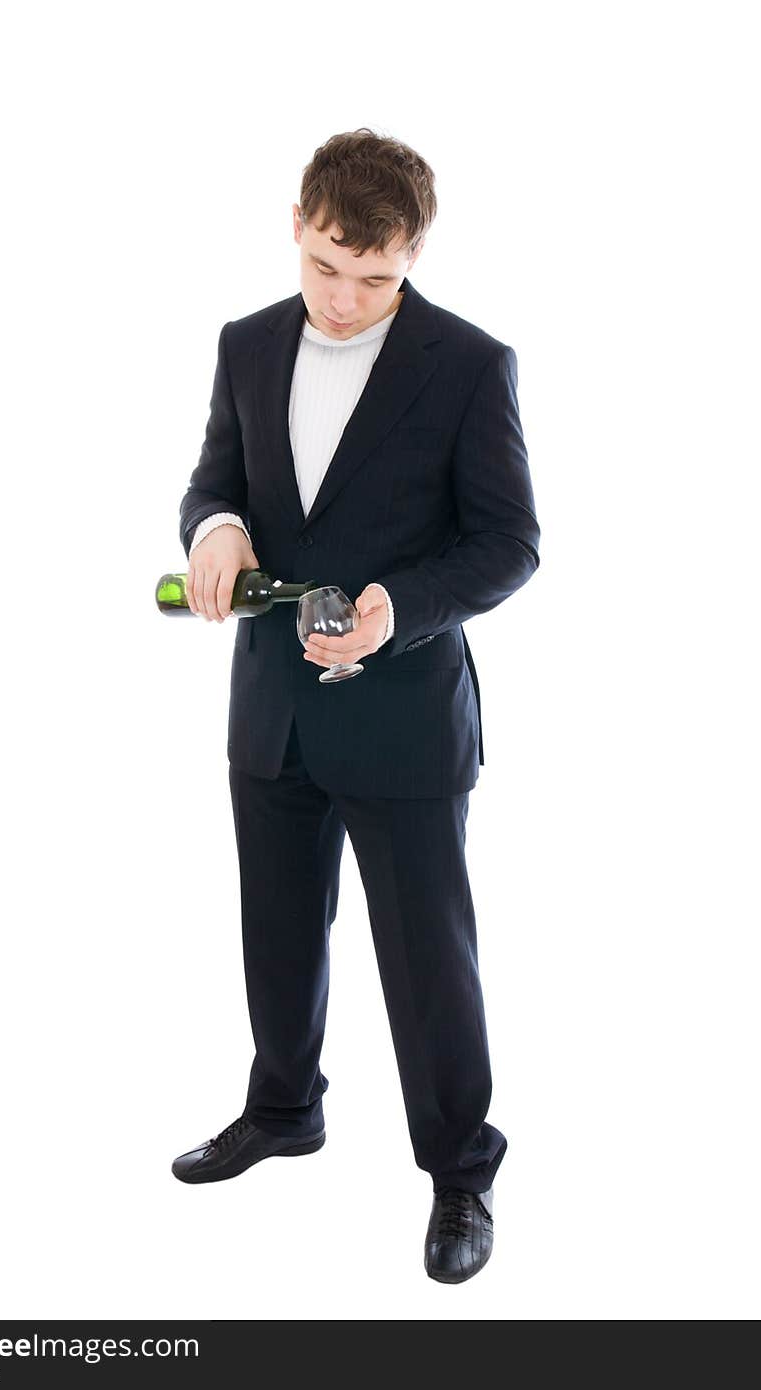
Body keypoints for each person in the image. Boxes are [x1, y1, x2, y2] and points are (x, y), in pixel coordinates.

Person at [171, 128, 541, 1284]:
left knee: (428, 961)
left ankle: (460, 1170)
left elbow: (509, 542)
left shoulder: (471, 364)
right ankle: (283, 1106)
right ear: (298, 222)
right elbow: (215, 481)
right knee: (276, 934)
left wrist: (400, 607)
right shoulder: (242, 344)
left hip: (404, 717)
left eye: (375, 278)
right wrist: (214, 529)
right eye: (329, 265)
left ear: (414, 254)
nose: (344, 298)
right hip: (273, 709)